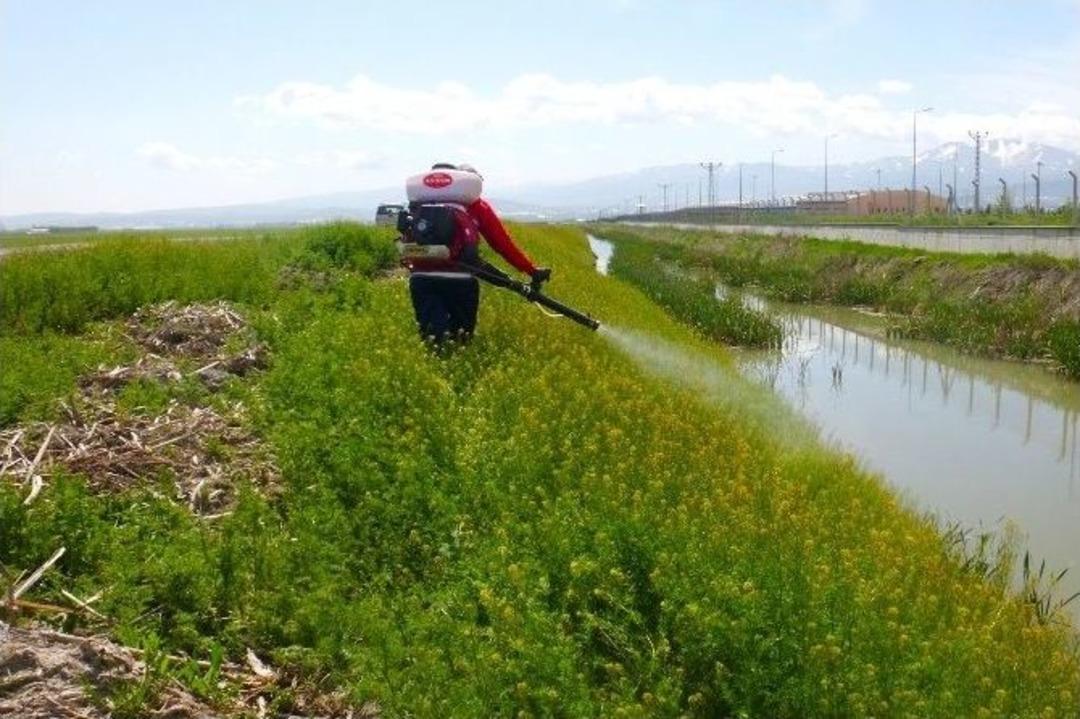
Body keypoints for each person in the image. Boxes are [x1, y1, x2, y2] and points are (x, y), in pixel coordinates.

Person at [401, 163, 551, 343]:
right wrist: (531, 270)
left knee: (432, 339)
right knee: (461, 338)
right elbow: (502, 244)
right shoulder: (476, 205)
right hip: (461, 280)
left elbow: (407, 240)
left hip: (421, 278)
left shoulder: (419, 204)